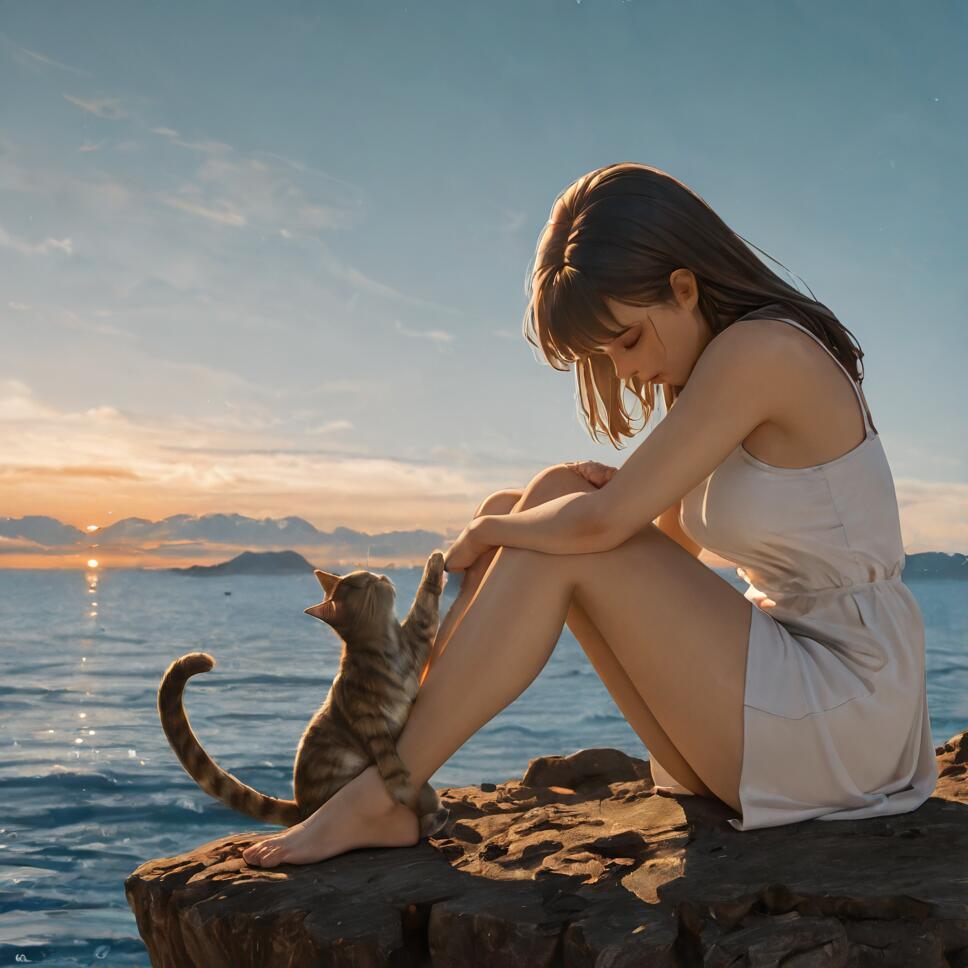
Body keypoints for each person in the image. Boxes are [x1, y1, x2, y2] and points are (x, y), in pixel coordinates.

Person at [242, 162, 936, 867]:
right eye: (606, 356)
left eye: (627, 341)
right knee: (547, 494)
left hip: (845, 709)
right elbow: (667, 548)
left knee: (549, 523)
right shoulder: (719, 370)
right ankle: (389, 772)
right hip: (785, 708)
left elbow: (602, 531)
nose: (626, 373)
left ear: (684, 287)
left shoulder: (764, 352)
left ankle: (384, 793)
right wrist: (552, 510)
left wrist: (494, 531)